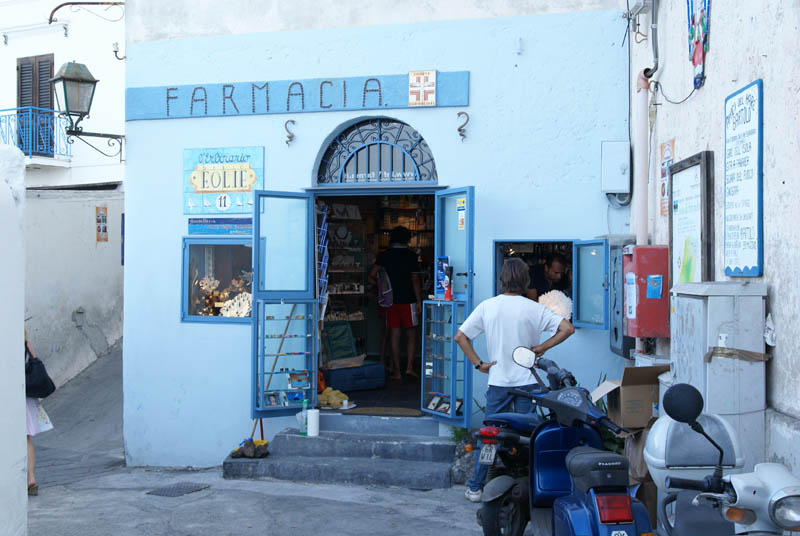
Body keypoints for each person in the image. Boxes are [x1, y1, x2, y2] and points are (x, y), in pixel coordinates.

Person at [455, 258, 574, 502]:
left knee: (490, 436)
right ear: (525, 280)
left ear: (502, 280)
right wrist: (542, 347)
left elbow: (460, 337)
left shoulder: (488, 306)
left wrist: (479, 364)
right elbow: (567, 329)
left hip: (498, 381)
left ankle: (476, 487)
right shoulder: (534, 308)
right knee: (526, 437)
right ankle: (528, 484)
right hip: (527, 383)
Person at [369, 226, 422, 380]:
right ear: (407, 239)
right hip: (408, 299)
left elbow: (371, 276)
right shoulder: (411, 256)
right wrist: (418, 301)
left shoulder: (384, 256)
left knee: (394, 334)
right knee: (411, 334)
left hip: (390, 301)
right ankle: (409, 368)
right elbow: (415, 280)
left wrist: (381, 288)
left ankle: (397, 371)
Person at [24, 333, 54, 496]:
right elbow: (33, 358)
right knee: (25, 437)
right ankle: (31, 477)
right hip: (24, 393)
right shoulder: (22, 338)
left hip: (9, 394)